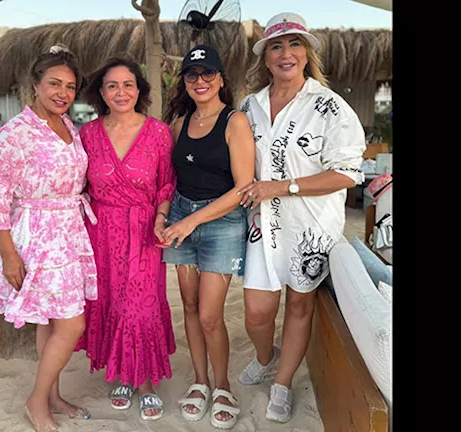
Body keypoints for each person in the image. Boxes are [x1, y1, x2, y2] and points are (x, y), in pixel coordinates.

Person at [235, 12, 366, 424]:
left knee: (299, 304)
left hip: (311, 225)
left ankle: (283, 382)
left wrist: (283, 186)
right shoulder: (250, 106)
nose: (285, 53)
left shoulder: (330, 107)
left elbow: (347, 173)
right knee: (256, 311)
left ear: (307, 54)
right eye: (276, 46)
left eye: (295, 44)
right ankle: (266, 356)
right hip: (262, 225)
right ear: (266, 57)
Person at [0, 44, 96, 432]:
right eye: (54, 83)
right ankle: (37, 400)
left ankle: (52, 395)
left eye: (70, 86)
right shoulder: (15, 134)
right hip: (36, 238)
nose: (63, 93)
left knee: (51, 323)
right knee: (72, 326)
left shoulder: (67, 126)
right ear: (35, 85)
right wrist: (9, 256)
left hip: (67, 234)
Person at [74, 54, 177, 421]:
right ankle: (122, 373)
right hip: (101, 232)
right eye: (112, 85)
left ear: (139, 90)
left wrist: (161, 217)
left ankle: (144, 381)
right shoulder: (87, 134)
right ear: (101, 92)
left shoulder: (158, 132)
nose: (121, 92)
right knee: (112, 302)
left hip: (144, 230)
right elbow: (78, 185)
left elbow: (166, 184)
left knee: (141, 306)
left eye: (128, 84)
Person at [161, 44, 255, 430]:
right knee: (188, 306)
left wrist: (190, 223)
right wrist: (167, 216)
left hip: (223, 223)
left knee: (210, 315)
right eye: (192, 74)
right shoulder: (179, 125)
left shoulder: (235, 121)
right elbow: (169, 179)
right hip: (181, 215)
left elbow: (243, 188)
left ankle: (222, 386)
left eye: (207, 73)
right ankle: (200, 381)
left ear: (220, 78)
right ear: (184, 81)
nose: (200, 80)